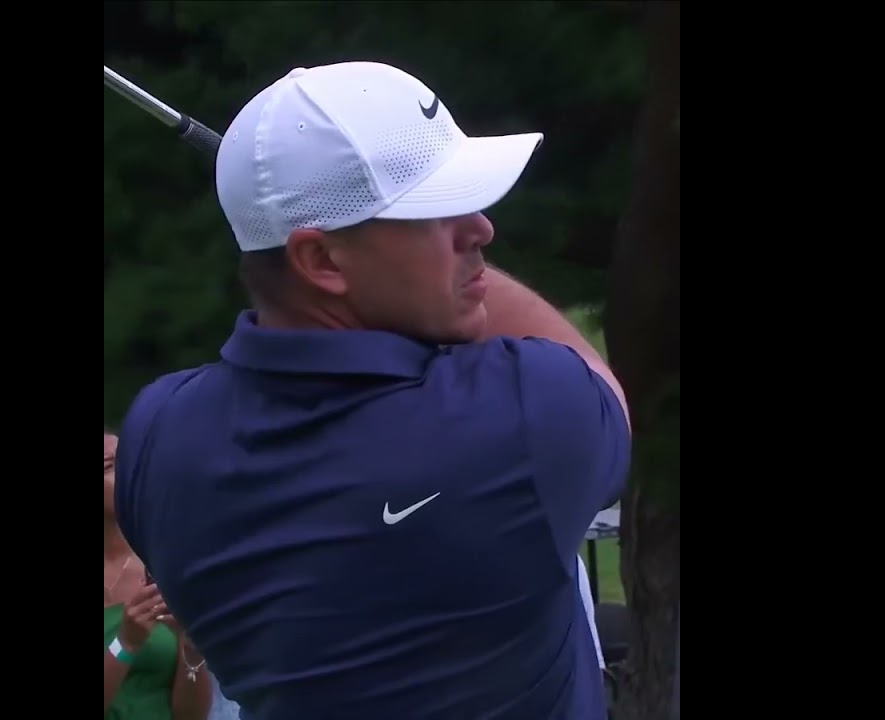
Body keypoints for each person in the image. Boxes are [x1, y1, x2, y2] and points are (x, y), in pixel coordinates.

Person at [115, 61, 631, 720]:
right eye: (435, 211)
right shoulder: (526, 416)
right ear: (322, 261)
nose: (481, 231)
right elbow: (599, 385)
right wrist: (468, 278)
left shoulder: (156, 438)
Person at [105, 430, 238, 720]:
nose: (128, 473)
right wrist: (125, 644)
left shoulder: (168, 563)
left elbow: (190, 716)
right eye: (109, 465)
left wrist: (191, 649)